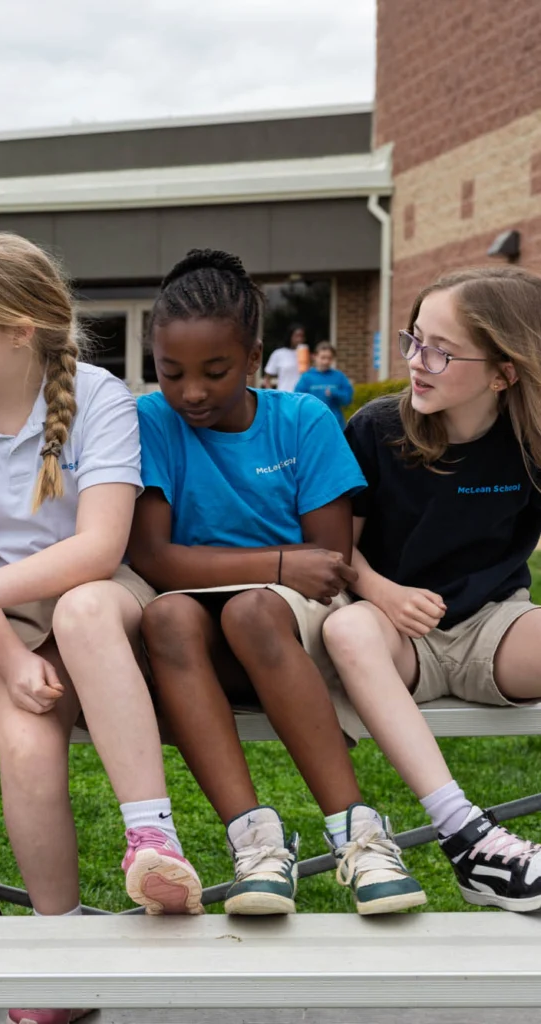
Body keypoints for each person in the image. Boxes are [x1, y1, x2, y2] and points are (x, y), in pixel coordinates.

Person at [0, 233, 203, 1024]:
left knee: (77, 606)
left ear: (17, 329)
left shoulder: (100, 398)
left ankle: (152, 837)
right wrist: (0, 651)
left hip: (91, 598)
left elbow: (98, 548)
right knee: (26, 753)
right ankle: (59, 951)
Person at [129, 249, 425, 917]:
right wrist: (278, 561)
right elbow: (153, 557)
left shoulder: (302, 421)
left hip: (290, 630)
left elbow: (327, 563)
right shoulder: (151, 421)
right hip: (199, 645)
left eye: (215, 371)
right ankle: (254, 842)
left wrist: (281, 574)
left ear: (255, 356)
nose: (191, 392)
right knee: (165, 618)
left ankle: (358, 832)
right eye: (170, 373)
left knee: (252, 614)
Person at [322, 266, 541, 912]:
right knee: (344, 626)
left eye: (439, 351)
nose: (417, 362)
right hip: (393, 640)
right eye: (412, 340)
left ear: (504, 371)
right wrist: (382, 593)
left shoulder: (529, 440)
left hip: (492, 630)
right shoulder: (374, 430)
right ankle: (466, 837)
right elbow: (335, 550)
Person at [295, 341, 356, 427]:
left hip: (335, 424)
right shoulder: (306, 377)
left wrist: (335, 393)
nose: (326, 361)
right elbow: (298, 401)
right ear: (315, 357)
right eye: (323, 358)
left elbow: (348, 399)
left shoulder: (339, 376)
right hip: (312, 424)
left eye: (329, 358)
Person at [263, 325, 309, 393]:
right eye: (297, 336)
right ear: (290, 336)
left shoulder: (307, 354)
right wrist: (272, 395)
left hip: (302, 396)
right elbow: (267, 378)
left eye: (302, 336)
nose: (299, 339)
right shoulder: (279, 353)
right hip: (284, 395)